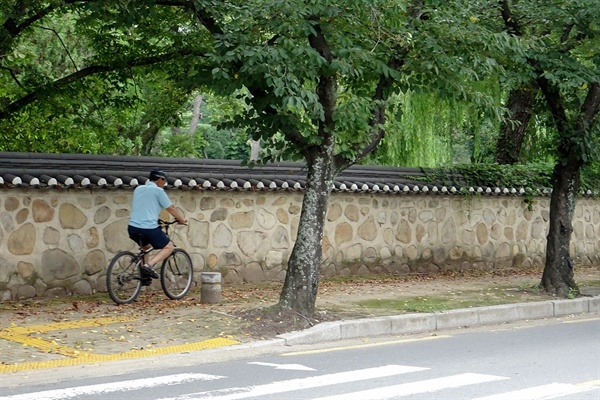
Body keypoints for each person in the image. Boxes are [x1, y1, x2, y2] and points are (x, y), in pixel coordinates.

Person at [127, 169, 187, 285]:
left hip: (132, 227)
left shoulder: (138, 189)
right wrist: (181, 219)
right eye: (164, 181)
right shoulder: (159, 191)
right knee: (169, 247)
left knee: (146, 247)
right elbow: (171, 208)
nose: (164, 184)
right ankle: (149, 265)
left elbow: (146, 206)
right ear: (160, 179)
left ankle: (144, 275)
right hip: (148, 228)